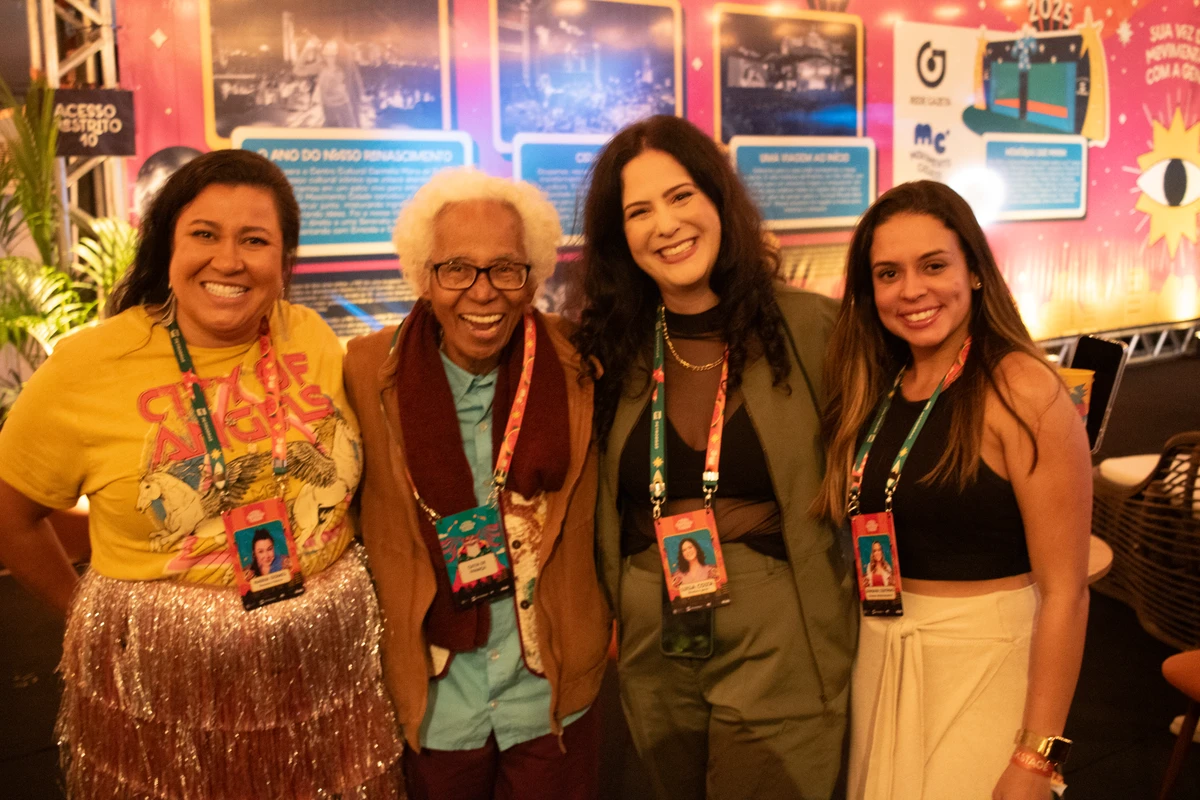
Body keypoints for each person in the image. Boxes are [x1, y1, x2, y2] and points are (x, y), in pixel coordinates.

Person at [0, 149, 403, 798]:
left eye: (255, 240)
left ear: (283, 258)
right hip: (169, 680)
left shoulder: (311, 337)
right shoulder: (88, 365)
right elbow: (10, 517)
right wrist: (89, 619)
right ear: (166, 245)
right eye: (204, 234)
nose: (229, 260)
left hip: (323, 668)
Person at [573, 114, 857, 800]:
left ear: (717, 199)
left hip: (777, 626)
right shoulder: (608, 346)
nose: (664, 224)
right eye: (638, 211)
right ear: (621, 239)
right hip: (652, 629)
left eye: (679, 197)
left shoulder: (812, 328)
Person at [813, 180, 1091, 799]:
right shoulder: (879, 386)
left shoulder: (1023, 389)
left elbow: (1067, 592)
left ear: (975, 272)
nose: (911, 290)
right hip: (882, 653)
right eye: (888, 273)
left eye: (933, 265)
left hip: (986, 665)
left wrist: (1037, 756)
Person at [343, 167, 611, 800]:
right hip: (434, 698)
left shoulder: (584, 364)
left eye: (505, 268)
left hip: (552, 696)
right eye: (456, 268)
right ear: (423, 275)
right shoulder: (364, 373)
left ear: (535, 274)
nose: (482, 292)